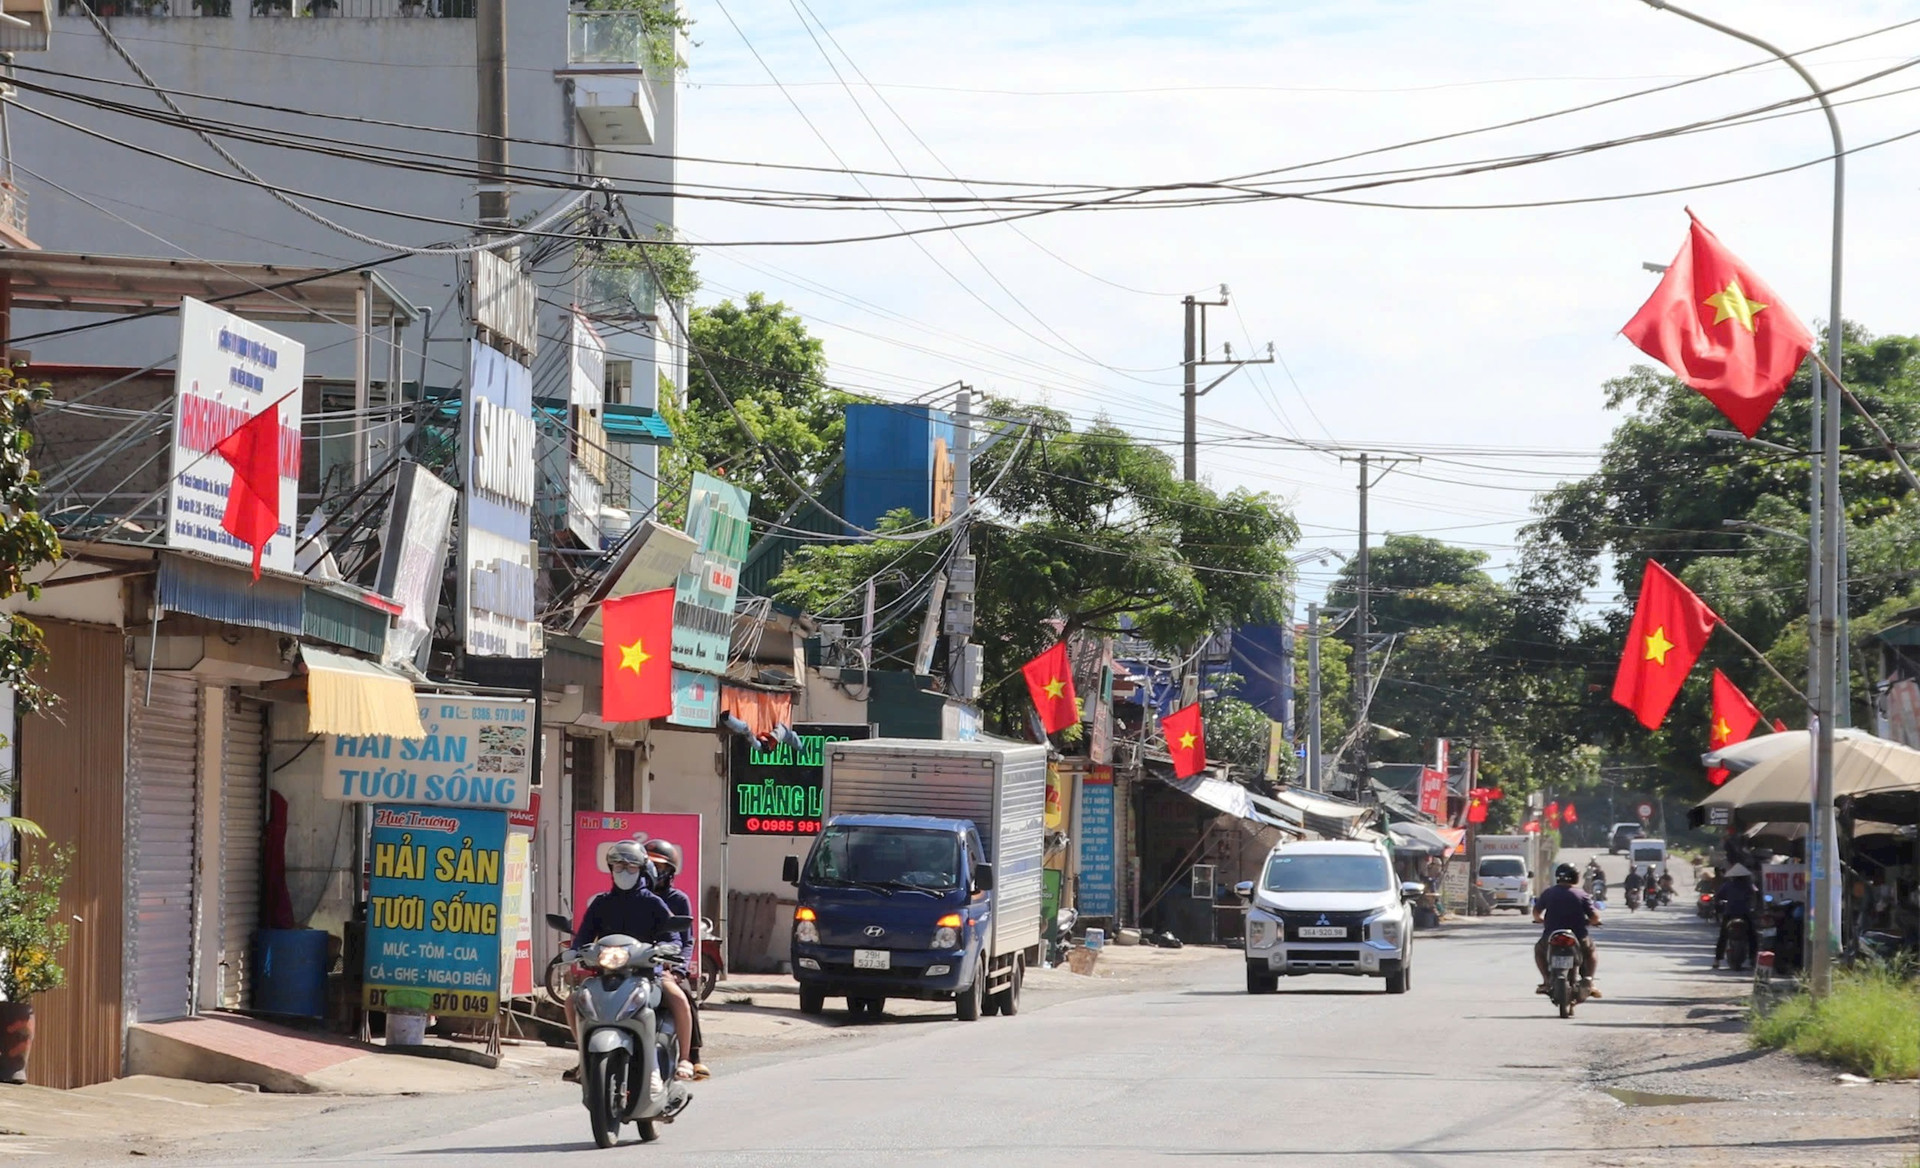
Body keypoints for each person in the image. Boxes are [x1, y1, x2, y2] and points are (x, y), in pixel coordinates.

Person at [563, 840, 696, 1084]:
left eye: (631, 867)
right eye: (618, 866)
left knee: (678, 998)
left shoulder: (654, 903)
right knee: (572, 1001)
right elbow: (583, 934)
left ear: (642, 870)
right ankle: (584, 1057)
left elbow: (674, 937)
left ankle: (686, 1058)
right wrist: (575, 951)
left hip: (647, 973)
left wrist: (669, 950)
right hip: (606, 973)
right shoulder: (601, 903)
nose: (624, 871)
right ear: (610, 869)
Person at [643, 838, 709, 1082]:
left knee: (683, 996)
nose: (652, 872)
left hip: (665, 965)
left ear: (670, 871)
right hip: (634, 964)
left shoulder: (677, 899)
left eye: (659, 867)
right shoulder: (633, 897)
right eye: (647, 866)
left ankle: (691, 1054)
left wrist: (679, 967)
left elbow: (685, 939)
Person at [1532, 862, 1602, 997]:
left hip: (1552, 936)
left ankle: (1546, 980)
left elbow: (1536, 913)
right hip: (1579, 936)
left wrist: (1540, 920)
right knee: (1591, 952)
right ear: (1576, 877)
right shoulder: (1582, 895)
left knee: (1539, 950)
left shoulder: (1548, 893)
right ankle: (1589, 980)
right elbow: (1594, 917)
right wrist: (1594, 922)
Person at [1712, 863, 1757, 970]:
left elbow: (1718, 896)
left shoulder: (1728, 884)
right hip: (1745, 913)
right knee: (1752, 936)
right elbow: (1756, 894)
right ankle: (1753, 958)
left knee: (1723, 936)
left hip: (1730, 913)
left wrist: (1718, 903)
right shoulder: (1749, 885)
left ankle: (1717, 960)